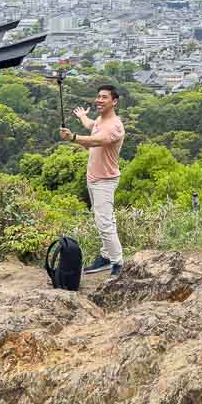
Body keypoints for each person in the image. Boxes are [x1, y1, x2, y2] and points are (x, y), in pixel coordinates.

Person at [59, 84, 127, 277]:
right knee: (104, 220)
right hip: (94, 179)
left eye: (104, 97)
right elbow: (92, 127)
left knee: (104, 222)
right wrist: (82, 117)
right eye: (98, 96)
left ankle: (118, 263)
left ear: (114, 101)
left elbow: (98, 140)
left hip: (105, 180)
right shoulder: (100, 120)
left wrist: (73, 137)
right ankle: (106, 257)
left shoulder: (115, 126)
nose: (99, 100)